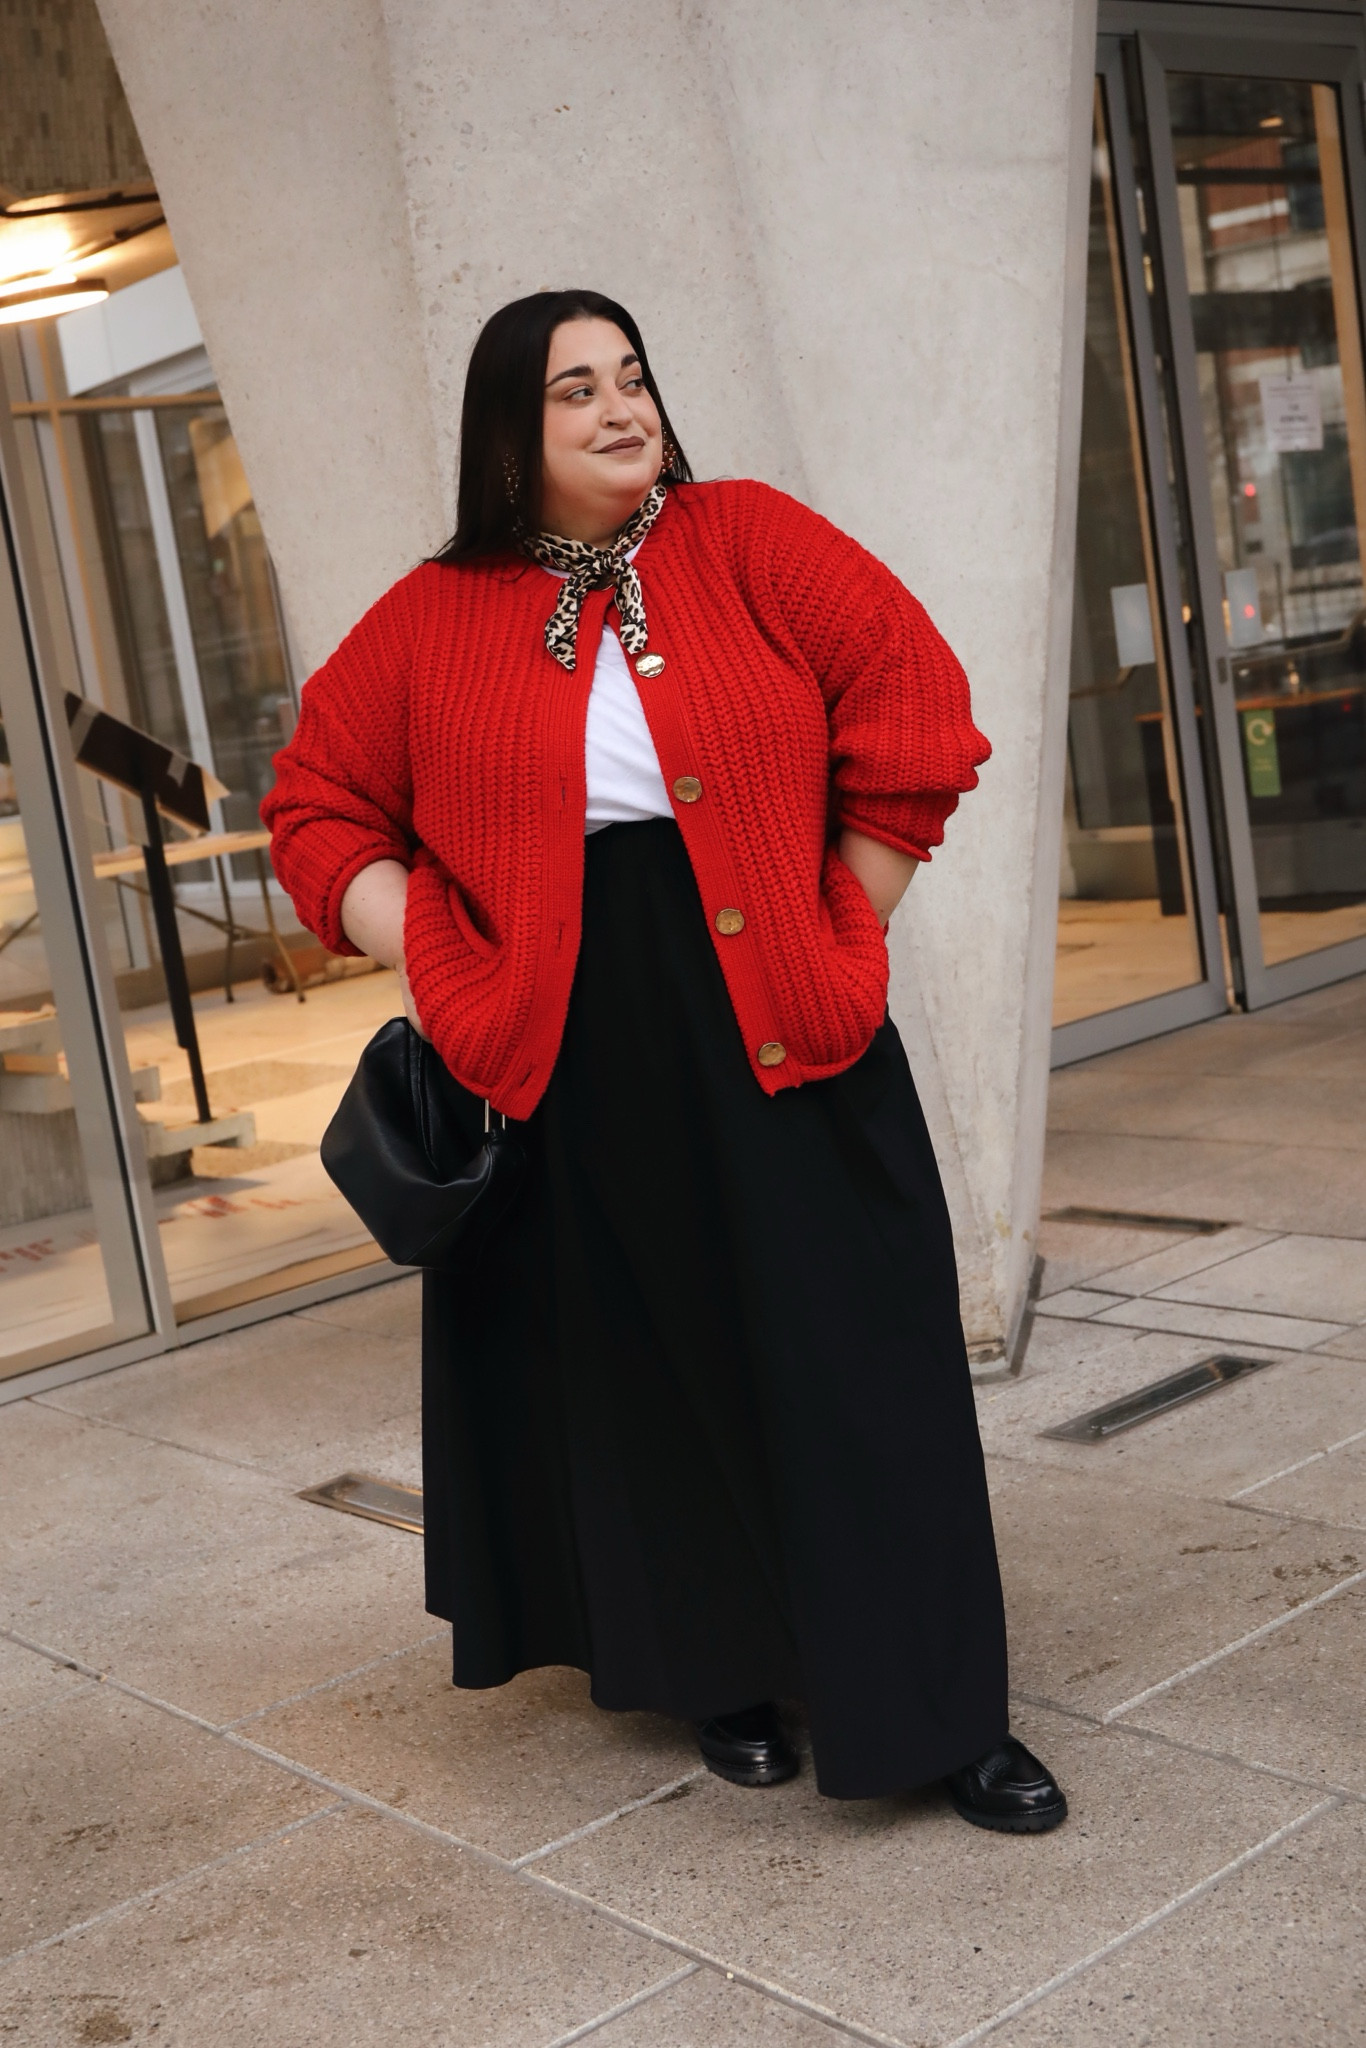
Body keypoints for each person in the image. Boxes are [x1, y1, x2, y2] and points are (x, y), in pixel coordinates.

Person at [263, 289, 1066, 1832]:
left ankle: (942, 1714)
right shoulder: (430, 616)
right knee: (650, 1367)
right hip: (569, 1042)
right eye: (576, 390)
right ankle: (722, 1675)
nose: (620, 408)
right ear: (512, 430)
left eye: (630, 378)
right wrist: (433, 952)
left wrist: (848, 913)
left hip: (776, 1002)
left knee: (862, 1364)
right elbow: (315, 807)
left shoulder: (748, 537)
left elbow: (915, 701)